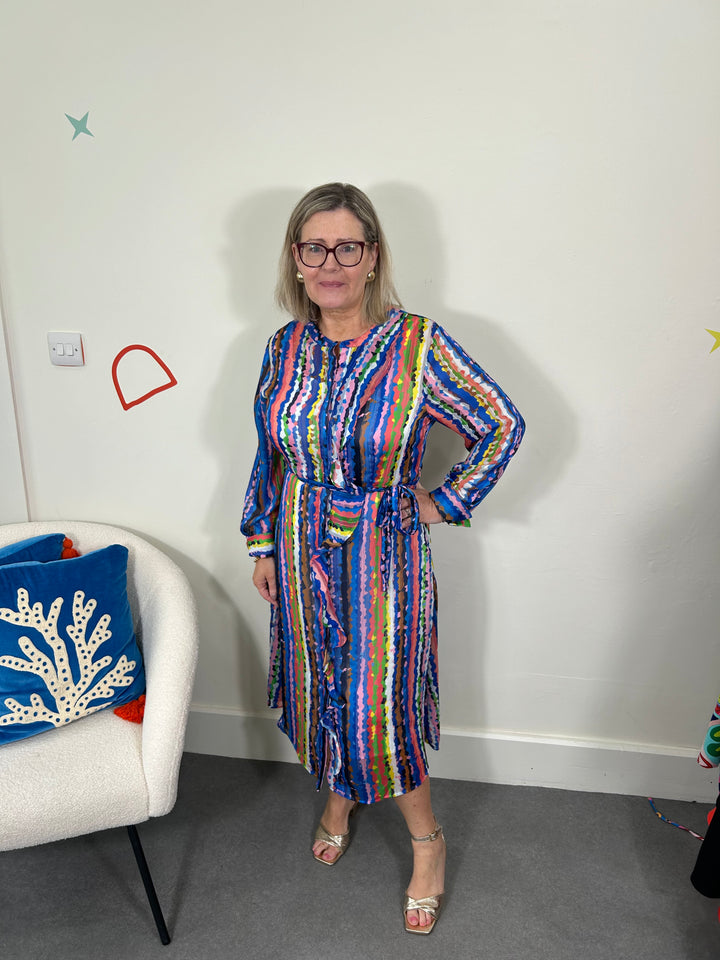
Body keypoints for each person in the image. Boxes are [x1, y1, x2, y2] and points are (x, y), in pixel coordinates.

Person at [241, 182, 524, 934]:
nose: (330, 263)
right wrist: (262, 541)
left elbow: (501, 423)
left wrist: (444, 501)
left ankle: (427, 841)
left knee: (378, 703)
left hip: (381, 554)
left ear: (372, 258)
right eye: (314, 248)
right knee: (319, 682)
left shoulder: (419, 346)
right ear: (296, 259)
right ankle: (340, 794)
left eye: (347, 247)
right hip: (298, 548)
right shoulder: (283, 347)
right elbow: (270, 453)